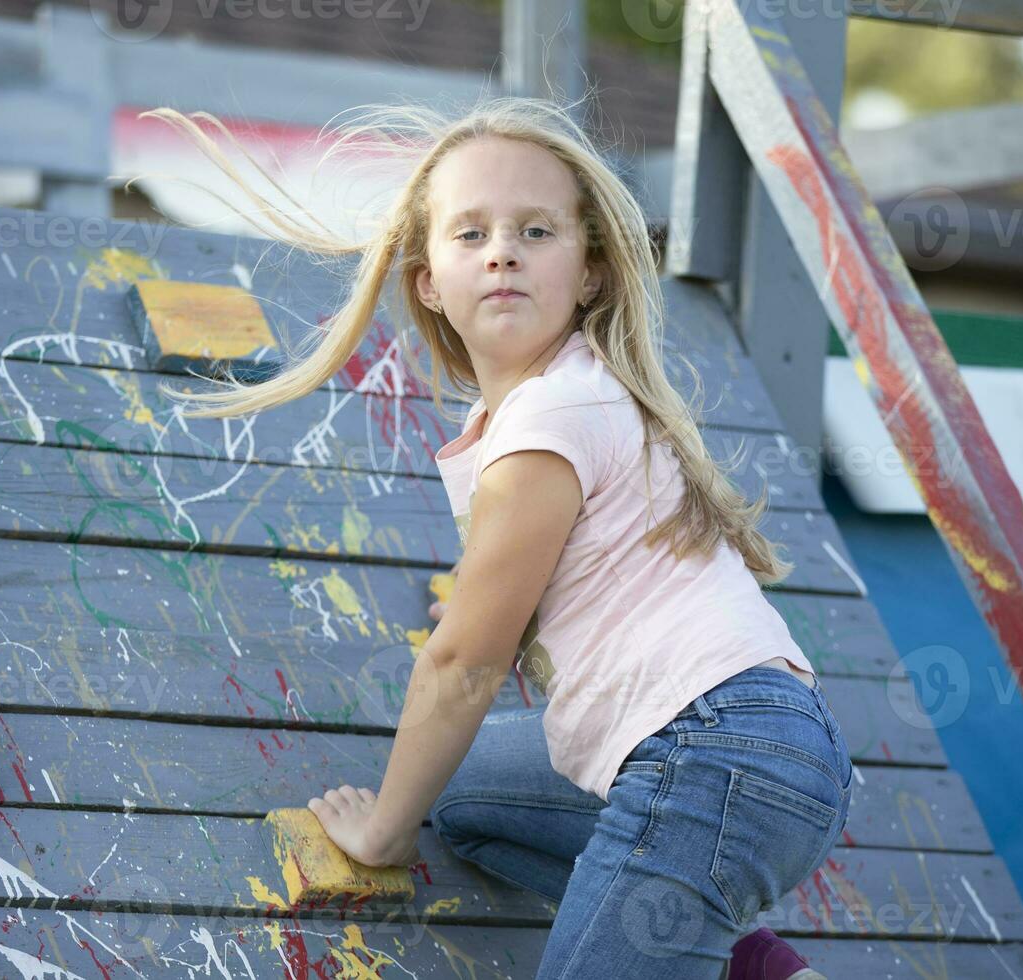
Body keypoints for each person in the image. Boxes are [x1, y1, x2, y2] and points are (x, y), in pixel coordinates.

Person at [143, 95, 851, 979]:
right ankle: (743, 958)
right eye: (470, 233)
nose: (503, 250)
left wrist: (384, 829)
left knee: (428, 786)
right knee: (467, 790)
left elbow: (463, 663)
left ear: (591, 271)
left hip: (707, 751)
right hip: (788, 750)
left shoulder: (549, 419)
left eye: (537, 232)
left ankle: (679, 913)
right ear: (429, 279)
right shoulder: (570, 398)